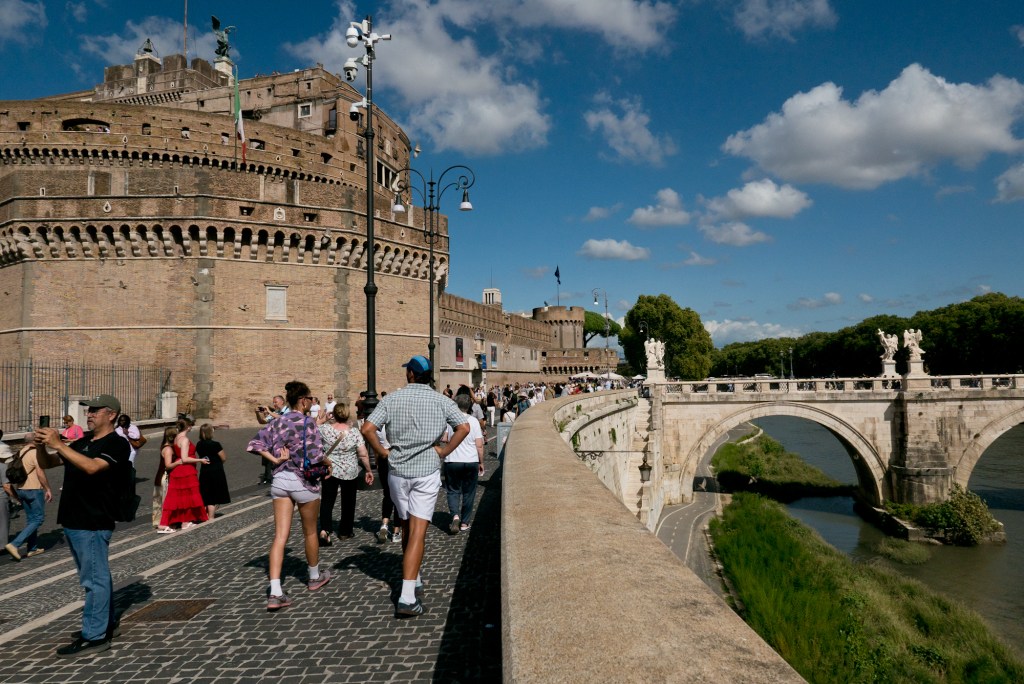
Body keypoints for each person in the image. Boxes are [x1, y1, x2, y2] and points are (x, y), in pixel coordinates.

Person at [361, 355, 469, 618]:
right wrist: (443, 452)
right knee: (418, 531)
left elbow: (367, 429)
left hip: (397, 472)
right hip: (426, 472)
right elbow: (463, 428)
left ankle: (415, 577)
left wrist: (382, 452)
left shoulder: (392, 399)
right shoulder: (442, 400)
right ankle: (407, 597)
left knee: (406, 524)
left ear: (411, 374)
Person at [34, 393, 131, 657]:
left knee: (94, 579)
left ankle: (95, 636)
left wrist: (60, 444)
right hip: (73, 518)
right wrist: (43, 445)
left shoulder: (117, 444)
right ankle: (104, 624)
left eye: (95, 411)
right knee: (96, 576)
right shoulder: (84, 440)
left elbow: (91, 467)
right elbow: (49, 463)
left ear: (111, 414)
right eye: (88, 411)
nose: (88, 414)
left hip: (93, 519)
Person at [247, 380, 331, 610]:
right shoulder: (308, 423)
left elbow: (255, 444)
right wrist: (327, 462)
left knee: (280, 536)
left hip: (280, 480)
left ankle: (275, 591)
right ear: (303, 400)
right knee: (310, 532)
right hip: (303, 481)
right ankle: (314, 576)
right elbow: (315, 455)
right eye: (310, 399)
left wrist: (275, 460)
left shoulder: (277, 422)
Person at [317, 402, 373, 545]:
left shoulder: (324, 429)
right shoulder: (354, 432)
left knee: (327, 501)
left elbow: (311, 434)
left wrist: (321, 421)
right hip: (349, 471)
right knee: (348, 502)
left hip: (330, 469)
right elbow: (363, 454)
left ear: (334, 414)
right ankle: (345, 531)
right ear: (348, 414)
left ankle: (325, 530)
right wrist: (368, 470)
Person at [159, 416, 209, 531]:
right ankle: (185, 522)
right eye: (191, 425)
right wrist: (200, 460)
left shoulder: (176, 438)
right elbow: (185, 458)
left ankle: (175, 521)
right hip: (186, 470)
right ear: (188, 427)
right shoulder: (185, 440)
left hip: (178, 471)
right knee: (188, 496)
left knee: (178, 497)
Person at [444, 395, 485, 534]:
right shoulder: (473, 421)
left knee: (453, 490)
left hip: (452, 460)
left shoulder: (450, 421)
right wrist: (481, 462)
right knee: (469, 492)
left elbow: (444, 438)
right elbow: (479, 445)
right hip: (471, 461)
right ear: (469, 406)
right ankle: (464, 523)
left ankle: (455, 515)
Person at [5, 441, 52, 560]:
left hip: (21, 489)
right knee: (38, 519)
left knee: (31, 520)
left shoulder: (20, 452)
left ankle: (32, 548)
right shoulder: (35, 453)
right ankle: (15, 544)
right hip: (34, 489)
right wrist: (47, 488)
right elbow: (40, 472)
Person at [197, 424, 230, 519]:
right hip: (216, 471)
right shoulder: (215, 444)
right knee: (214, 496)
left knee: (206, 493)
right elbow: (223, 458)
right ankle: (210, 517)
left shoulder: (199, 444)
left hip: (204, 471)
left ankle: (203, 515)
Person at [255, 395, 287, 484]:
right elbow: (262, 421)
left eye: (275, 402)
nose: (274, 404)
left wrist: (269, 411)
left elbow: (283, 419)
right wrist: (257, 413)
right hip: (274, 441)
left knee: (284, 461)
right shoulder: (275, 412)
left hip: (286, 441)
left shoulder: (288, 410)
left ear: (282, 402)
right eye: (273, 402)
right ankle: (273, 478)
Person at [153, 426, 176, 532]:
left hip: (160, 476)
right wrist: (179, 462)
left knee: (161, 500)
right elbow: (168, 465)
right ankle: (163, 522)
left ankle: (160, 521)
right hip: (164, 477)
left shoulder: (164, 446)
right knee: (165, 500)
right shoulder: (168, 449)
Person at [0, 431, 11, 547]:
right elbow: (6, 486)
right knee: (3, 522)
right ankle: (2, 545)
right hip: (1, 497)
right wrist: (16, 497)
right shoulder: (3, 467)